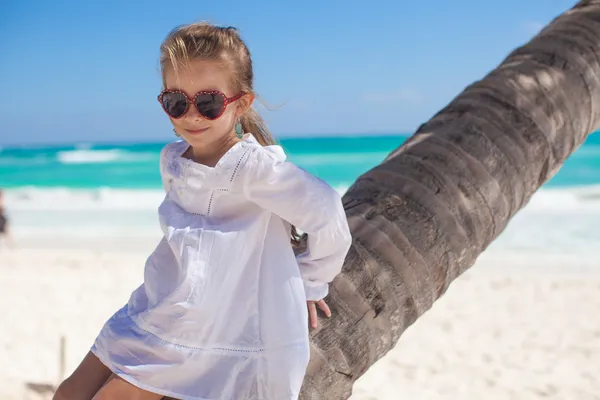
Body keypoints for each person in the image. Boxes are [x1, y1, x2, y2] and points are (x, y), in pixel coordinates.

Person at [53, 22, 352, 400]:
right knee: (68, 393)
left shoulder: (253, 168)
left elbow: (325, 210)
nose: (190, 115)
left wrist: (311, 280)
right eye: (176, 102)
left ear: (241, 103)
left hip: (208, 331)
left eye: (208, 102)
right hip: (159, 307)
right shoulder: (173, 159)